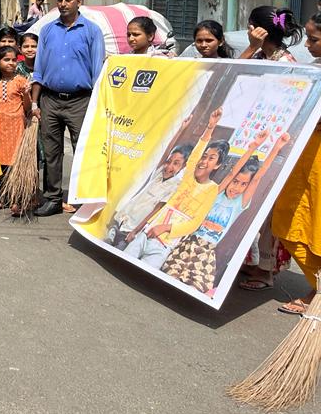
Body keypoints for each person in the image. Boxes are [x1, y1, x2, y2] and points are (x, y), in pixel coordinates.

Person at [124, 109, 261, 270]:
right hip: (145, 236)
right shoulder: (188, 177)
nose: (204, 161)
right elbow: (195, 156)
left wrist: (252, 148)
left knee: (140, 274)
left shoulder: (212, 190)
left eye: (211, 159)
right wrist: (210, 127)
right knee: (122, 263)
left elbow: (194, 224)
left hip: (164, 246)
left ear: (217, 166)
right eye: (204, 156)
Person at [163, 133, 288, 295]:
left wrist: (276, 148)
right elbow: (231, 173)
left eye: (243, 184)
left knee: (196, 287)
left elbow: (257, 178)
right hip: (189, 242)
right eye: (235, 182)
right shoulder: (216, 193)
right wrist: (252, 147)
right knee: (170, 275)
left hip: (207, 252)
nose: (236, 187)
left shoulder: (240, 204)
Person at [238, 5, 302, 290]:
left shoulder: (285, 61)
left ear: (257, 28)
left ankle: (265, 270)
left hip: (274, 144)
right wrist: (252, 48)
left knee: (267, 212)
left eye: (250, 26)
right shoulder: (261, 55)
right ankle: (250, 262)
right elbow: (237, 77)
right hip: (253, 141)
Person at [30, 0, 105, 216]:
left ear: (79, 1)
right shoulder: (48, 30)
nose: (63, 4)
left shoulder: (92, 31)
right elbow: (39, 68)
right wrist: (35, 102)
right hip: (50, 99)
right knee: (51, 152)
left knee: (82, 150)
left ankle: (83, 199)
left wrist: (96, 102)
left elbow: (97, 71)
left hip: (80, 101)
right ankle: (52, 198)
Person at [270, 12, 321, 314]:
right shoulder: (312, 71)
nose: (309, 46)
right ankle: (317, 283)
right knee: (289, 221)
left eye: (314, 40)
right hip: (303, 159)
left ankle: (316, 293)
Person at [104, 117, 194, 248]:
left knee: (120, 246)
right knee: (114, 227)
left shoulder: (174, 186)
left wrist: (135, 231)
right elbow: (166, 153)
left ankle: (117, 239)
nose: (169, 166)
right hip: (126, 214)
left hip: (135, 225)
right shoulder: (158, 173)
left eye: (176, 164)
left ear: (183, 166)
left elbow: (156, 210)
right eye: (169, 161)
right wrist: (180, 130)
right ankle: (112, 233)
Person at [0, 45, 32, 174]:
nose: (11, 63)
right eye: (6, 60)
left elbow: (28, 107)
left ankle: (14, 189)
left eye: (14, 60)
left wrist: (26, 94)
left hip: (17, 125)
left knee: (16, 159)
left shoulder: (20, 80)